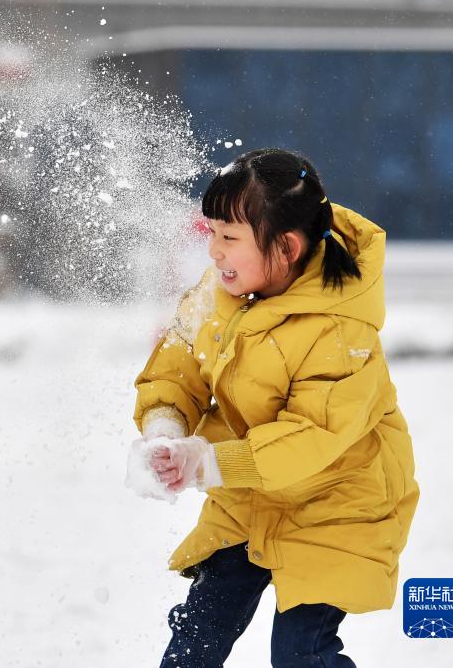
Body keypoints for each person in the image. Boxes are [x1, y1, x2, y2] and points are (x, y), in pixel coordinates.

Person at [126, 148, 418, 667]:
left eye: (229, 237)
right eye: (212, 232)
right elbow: (176, 368)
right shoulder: (218, 295)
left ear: (285, 247)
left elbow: (310, 435)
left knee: (300, 651)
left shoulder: (338, 330)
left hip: (335, 506)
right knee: (199, 633)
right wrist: (165, 430)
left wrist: (208, 461)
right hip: (249, 498)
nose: (213, 250)